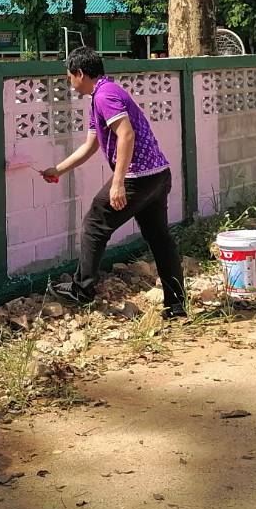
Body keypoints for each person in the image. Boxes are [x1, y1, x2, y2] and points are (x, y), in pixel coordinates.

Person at [43, 47, 187, 319]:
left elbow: (126, 134)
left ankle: (82, 289)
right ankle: (176, 305)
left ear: (80, 73)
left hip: (137, 178)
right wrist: (58, 170)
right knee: (160, 239)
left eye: (69, 76)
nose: (69, 82)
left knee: (94, 224)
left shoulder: (105, 95)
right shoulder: (102, 95)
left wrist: (118, 182)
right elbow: (91, 145)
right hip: (157, 175)